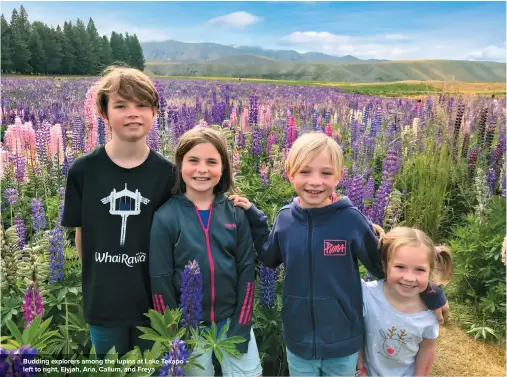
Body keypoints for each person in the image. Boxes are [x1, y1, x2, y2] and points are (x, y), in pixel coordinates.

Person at [231, 132, 449, 376]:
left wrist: (430, 291)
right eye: (305, 172)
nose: (315, 182)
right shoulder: (285, 219)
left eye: (326, 173)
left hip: (343, 340)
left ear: (339, 175)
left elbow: (383, 266)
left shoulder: (350, 220)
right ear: (289, 172)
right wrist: (255, 217)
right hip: (298, 338)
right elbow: (270, 258)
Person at [61, 65, 177, 356]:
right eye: (121, 105)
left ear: (155, 112)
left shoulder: (167, 174)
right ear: (104, 113)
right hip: (103, 302)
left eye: (142, 105)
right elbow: (82, 235)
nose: (133, 113)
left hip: (155, 306)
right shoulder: (83, 170)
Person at [149, 127, 262, 377]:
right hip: (188, 328)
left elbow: (246, 272)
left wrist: (242, 324)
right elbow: (159, 281)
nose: (202, 169)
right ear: (179, 165)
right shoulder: (166, 216)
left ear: (223, 168)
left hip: (232, 322)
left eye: (212, 161)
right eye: (193, 160)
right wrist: (173, 332)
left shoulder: (235, 213)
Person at [356, 227, 453, 377]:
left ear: (430, 271)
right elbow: (355, 333)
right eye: (400, 267)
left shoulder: (430, 312)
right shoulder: (367, 294)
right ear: (385, 264)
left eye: (419, 270)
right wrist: (360, 369)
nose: (409, 277)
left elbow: (427, 349)